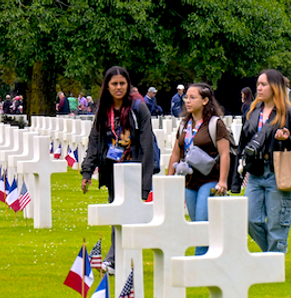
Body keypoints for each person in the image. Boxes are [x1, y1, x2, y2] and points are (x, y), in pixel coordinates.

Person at [237, 69, 291, 254]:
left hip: (278, 172)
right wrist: (235, 181)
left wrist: (287, 140)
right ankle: (274, 255)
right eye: (258, 84)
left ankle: (274, 262)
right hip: (256, 172)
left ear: (275, 87)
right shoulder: (252, 112)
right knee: (250, 220)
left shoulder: (290, 113)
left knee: (276, 225)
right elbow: (242, 144)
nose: (259, 88)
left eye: (264, 84)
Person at [166, 83, 231, 255]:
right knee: (196, 225)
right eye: (186, 97)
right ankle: (214, 256)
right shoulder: (183, 125)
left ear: (205, 100)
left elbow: (225, 154)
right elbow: (176, 152)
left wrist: (223, 181)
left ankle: (199, 262)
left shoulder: (215, 124)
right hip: (189, 181)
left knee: (202, 222)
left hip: (210, 179)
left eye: (193, 97)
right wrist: (168, 179)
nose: (188, 100)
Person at [80, 66, 156, 202]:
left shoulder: (138, 108)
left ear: (128, 85)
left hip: (134, 168)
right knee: (116, 209)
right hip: (112, 169)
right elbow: (95, 141)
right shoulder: (103, 111)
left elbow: (147, 145)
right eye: (114, 84)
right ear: (107, 86)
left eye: (122, 83)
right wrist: (87, 171)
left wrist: (145, 184)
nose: (118, 87)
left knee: (133, 214)